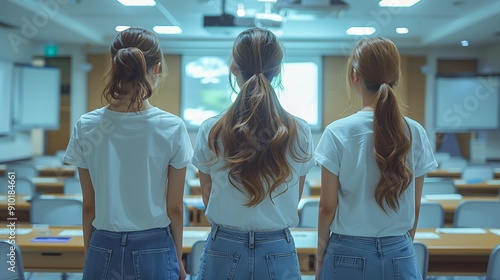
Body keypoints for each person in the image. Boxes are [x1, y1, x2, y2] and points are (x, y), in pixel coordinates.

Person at [63, 27, 193, 280]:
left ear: (115, 66)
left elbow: (89, 206)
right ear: (156, 69)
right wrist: (176, 258)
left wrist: (92, 254)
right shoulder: (172, 126)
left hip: (103, 242)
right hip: (154, 246)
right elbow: (175, 207)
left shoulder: (86, 125)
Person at [192, 27, 316, 279]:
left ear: (233, 67)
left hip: (224, 246)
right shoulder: (299, 130)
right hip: (277, 247)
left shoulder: (210, 129)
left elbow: (208, 195)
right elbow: (296, 194)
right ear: (278, 70)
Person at [314, 37, 438, 280]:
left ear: (354, 76)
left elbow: (327, 207)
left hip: (346, 252)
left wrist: (319, 260)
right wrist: (399, 249)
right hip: (399, 251)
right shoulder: (415, 131)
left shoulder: (337, 132)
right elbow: (415, 205)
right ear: (396, 77)